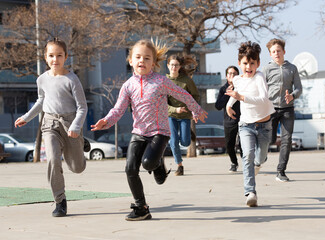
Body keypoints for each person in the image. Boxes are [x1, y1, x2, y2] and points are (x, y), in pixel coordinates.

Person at [90, 39, 207, 221]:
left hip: (159, 132)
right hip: (139, 132)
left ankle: (158, 162)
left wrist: (196, 109)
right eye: (138, 57)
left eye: (147, 58)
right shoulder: (128, 85)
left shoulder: (161, 81)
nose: (141, 61)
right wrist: (106, 121)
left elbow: (182, 94)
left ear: (154, 63)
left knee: (148, 163)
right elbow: (118, 109)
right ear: (130, 60)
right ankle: (141, 207)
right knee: (130, 168)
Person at [15, 38, 88, 217]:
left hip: (70, 123)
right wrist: (26, 117)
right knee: (53, 159)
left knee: (77, 168)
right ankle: (59, 201)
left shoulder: (72, 79)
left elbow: (82, 107)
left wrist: (76, 127)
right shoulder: (42, 79)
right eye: (51, 56)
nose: (55, 59)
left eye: (59, 55)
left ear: (66, 57)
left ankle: (81, 142)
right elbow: (41, 101)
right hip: (49, 124)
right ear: (45, 58)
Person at [226, 41, 275, 207]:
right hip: (246, 125)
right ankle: (250, 192)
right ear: (239, 63)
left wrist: (241, 98)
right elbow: (237, 93)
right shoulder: (238, 79)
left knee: (260, 157)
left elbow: (263, 99)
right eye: (245, 63)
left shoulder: (259, 77)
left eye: (252, 63)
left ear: (258, 64)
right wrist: (229, 104)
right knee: (247, 156)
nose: (249, 66)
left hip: (264, 125)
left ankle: (258, 163)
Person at [262, 38, 302, 182]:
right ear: (270, 54)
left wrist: (292, 95)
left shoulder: (292, 68)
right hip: (271, 109)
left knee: (286, 139)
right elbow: (261, 88)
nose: (276, 53)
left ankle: (281, 171)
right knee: (270, 139)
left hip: (287, 109)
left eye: (279, 51)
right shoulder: (266, 69)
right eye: (273, 51)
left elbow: (298, 88)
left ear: (284, 52)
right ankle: (262, 154)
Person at [166, 54, 200, 176]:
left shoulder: (186, 81)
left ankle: (187, 133)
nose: (174, 67)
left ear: (180, 66)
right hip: (171, 115)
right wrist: (175, 109)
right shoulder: (164, 82)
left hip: (185, 115)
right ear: (168, 66)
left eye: (176, 65)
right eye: (172, 65)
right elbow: (162, 103)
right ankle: (179, 165)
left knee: (185, 142)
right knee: (173, 141)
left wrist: (193, 110)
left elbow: (195, 96)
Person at [215, 66, 242, 172]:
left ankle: (247, 163)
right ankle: (234, 162)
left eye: (234, 74)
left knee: (243, 144)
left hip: (242, 119)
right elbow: (218, 106)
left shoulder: (242, 87)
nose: (232, 76)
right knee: (229, 145)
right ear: (226, 76)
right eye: (230, 73)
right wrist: (226, 94)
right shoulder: (223, 89)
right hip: (229, 121)